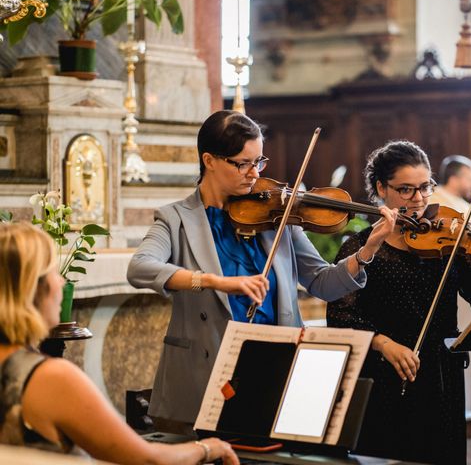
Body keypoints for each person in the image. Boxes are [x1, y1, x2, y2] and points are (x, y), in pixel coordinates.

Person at [127, 110, 396, 428]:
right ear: (210, 160)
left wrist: (368, 250)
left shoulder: (277, 216)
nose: (254, 173)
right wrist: (216, 281)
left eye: (259, 162)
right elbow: (140, 268)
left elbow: (323, 284)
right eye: (243, 163)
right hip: (205, 369)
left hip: (275, 365)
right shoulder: (175, 218)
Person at [327, 141, 471, 464]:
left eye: (425, 187)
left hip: (442, 379)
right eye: (406, 190)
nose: (418, 200)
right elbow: (341, 315)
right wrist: (384, 344)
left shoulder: (449, 243)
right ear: (380, 188)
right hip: (384, 378)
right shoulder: (360, 248)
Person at [0, 222, 239, 465]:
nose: (61, 283)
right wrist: (207, 448)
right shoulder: (50, 378)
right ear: (33, 288)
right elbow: (146, 459)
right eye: (53, 273)